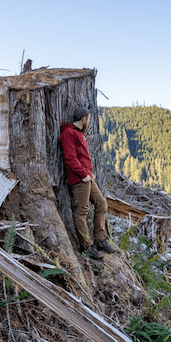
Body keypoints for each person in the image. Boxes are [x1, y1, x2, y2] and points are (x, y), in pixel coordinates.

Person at [60, 106, 115, 260]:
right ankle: (87, 245)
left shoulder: (79, 134)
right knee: (81, 212)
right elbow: (70, 158)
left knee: (102, 204)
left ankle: (100, 239)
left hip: (87, 178)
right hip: (79, 179)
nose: (89, 121)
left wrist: (89, 174)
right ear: (83, 118)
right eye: (88, 118)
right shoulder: (68, 133)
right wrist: (84, 174)